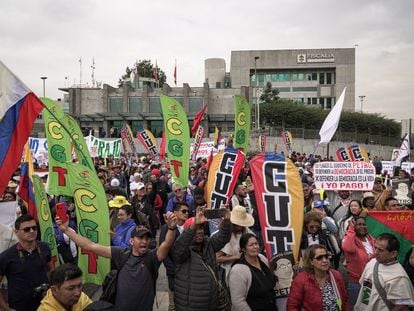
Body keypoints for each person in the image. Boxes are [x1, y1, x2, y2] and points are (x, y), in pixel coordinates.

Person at [56, 211, 178, 311]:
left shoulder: (152, 258)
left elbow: (166, 244)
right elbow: (90, 246)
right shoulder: (121, 254)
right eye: (140, 238)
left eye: (147, 238)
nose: (144, 242)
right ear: (131, 241)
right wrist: (66, 230)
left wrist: (171, 228)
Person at [171, 207, 232, 310]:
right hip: (189, 307)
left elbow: (223, 237)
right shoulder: (182, 252)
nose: (200, 231)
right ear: (188, 231)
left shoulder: (208, 244)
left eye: (202, 228)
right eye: (197, 228)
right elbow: (179, 248)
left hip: (210, 305)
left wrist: (226, 221)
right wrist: (194, 224)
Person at [0, 215, 53, 311]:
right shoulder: (6, 257)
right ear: (16, 232)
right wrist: (4, 307)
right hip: (20, 306)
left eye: (34, 228)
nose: (32, 231)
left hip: (46, 303)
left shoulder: (44, 247)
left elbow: (50, 270)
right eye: (27, 229)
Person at [354, 233, 414, 310]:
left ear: (393, 254)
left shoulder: (399, 277)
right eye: (375, 248)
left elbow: (401, 307)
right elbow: (364, 287)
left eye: (381, 250)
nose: (375, 252)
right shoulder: (371, 263)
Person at [287, 244, 349, 311]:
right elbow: (292, 306)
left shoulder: (336, 275)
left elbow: (345, 301)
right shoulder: (301, 280)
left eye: (326, 256)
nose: (325, 260)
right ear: (311, 261)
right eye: (319, 258)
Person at [229, 233, 276, 311]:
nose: (255, 247)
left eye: (256, 243)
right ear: (243, 249)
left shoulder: (262, 258)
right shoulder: (238, 270)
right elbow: (238, 301)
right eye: (251, 245)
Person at [159, 202, 189, 311]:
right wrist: (173, 270)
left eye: (188, 211)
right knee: (173, 305)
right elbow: (163, 252)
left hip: (187, 272)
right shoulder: (165, 228)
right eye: (183, 211)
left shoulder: (189, 227)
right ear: (175, 213)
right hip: (174, 273)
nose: (186, 213)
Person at [341, 216, 375, 308]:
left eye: (364, 224)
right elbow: (348, 248)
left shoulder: (371, 239)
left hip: (371, 281)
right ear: (353, 226)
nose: (362, 226)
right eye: (358, 224)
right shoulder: (349, 239)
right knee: (356, 307)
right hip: (356, 283)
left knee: (368, 307)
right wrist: (351, 229)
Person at [216, 205, 255, 281]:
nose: (240, 227)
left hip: (245, 269)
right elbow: (217, 258)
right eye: (237, 225)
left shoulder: (246, 231)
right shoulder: (223, 235)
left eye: (242, 225)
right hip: (228, 270)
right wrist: (235, 257)